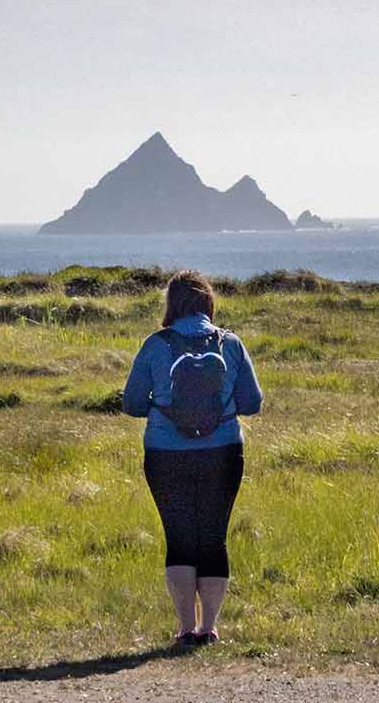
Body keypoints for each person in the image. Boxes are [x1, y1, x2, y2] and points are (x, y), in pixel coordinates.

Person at [121, 270, 263, 647]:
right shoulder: (230, 344)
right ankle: (210, 627)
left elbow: (132, 404)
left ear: (172, 304)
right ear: (208, 303)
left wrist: (164, 408)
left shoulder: (155, 345)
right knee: (213, 538)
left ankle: (185, 628)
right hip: (223, 452)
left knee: (180, 537)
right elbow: (253, 403)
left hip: (166, 454)